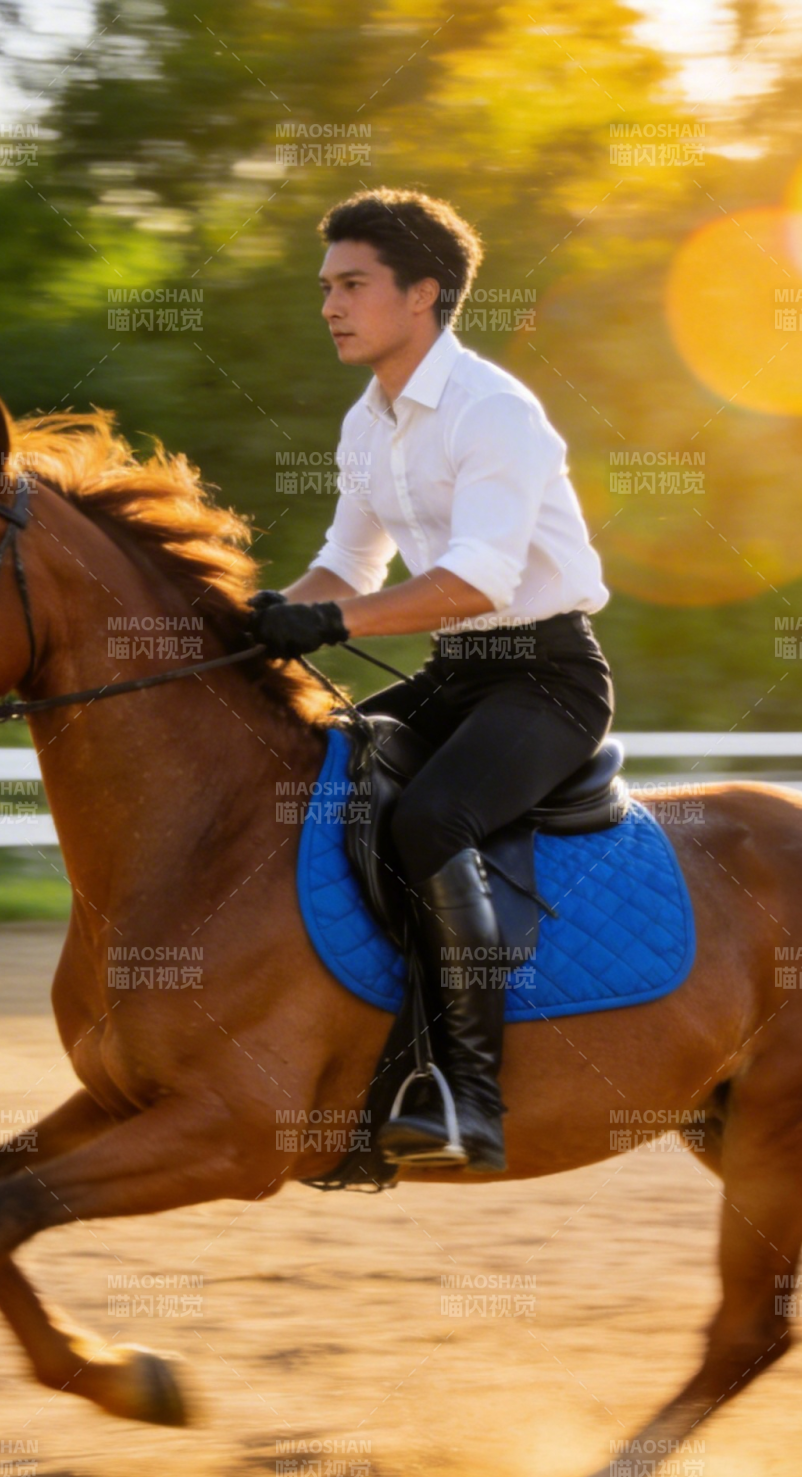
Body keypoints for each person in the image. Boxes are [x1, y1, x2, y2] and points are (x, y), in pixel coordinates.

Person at [247, 187, 613, 1173]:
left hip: (546, 682)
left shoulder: (494, 410)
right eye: (326, 286)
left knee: (428, 821)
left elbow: (480, 579)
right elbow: (347, 567)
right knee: (315, 784)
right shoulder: (366, 422)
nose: (329, 305)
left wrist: (327, 623)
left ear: (423, 294)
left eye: (352, 285)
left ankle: (467, 1092)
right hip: (455, 673)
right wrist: (258, 616)